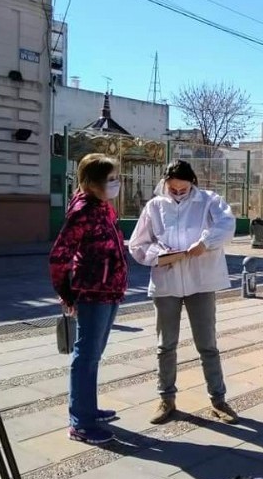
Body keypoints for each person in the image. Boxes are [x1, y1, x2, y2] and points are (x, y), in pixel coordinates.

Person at [129, 160, 238, 425]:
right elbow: (138, 244)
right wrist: (159, 256)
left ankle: (218, 399)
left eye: (183, 189)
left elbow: (226, 225)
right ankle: (166, 398)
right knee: (166, 345)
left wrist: (206, 243)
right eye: (173, 189)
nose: (178, 194)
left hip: (200, 282)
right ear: (165, 184)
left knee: (207, 344)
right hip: (167, 284)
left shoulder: (209, 201)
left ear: (192, 183)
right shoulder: (154, 206)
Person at [49, 153, 128, 445]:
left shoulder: (103, 208)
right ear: (92, 182)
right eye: (110, 179)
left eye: (116, 178)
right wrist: (66, 291)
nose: (116, 183)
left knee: (94, 354)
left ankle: (88, 409)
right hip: (93, 293)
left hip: (110, 291)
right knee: (86, 356)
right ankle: (80, 422)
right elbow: (59, 255)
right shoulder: (82, 211)